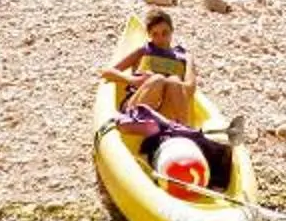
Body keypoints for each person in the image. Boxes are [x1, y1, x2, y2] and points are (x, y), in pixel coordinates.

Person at [103, 10, 243, 180]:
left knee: (175, 82)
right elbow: (108, 72)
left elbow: (189, 88)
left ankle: (181, 136)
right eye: (155, 34)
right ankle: (142, 124)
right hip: (137, 106)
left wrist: (172, 83)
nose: (160, 38)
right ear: (149, 35)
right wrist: (133, 80)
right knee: (158, 79)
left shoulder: (184, 56)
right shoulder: (144, 50)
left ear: (172, 31)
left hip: (164, 114)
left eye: (165, 33)